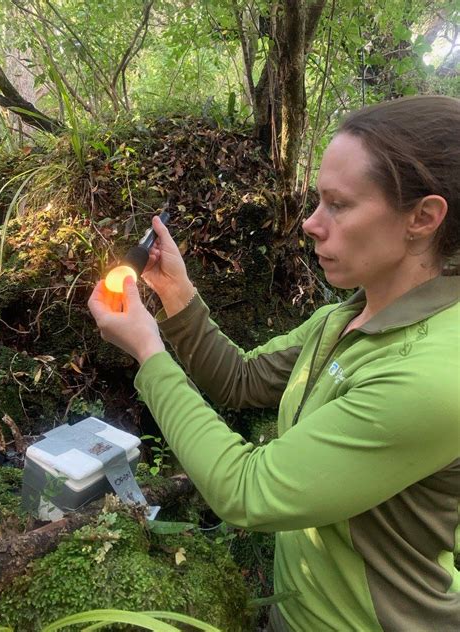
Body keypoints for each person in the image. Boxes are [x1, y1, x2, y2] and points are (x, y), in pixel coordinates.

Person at [88, 95, 459, 632]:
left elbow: (248, 491)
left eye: (339, 204)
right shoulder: (348, 316)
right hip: (297, 610)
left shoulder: (431, 374)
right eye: (317, 201)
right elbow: (243, 380)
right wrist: (175, 293)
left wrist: (149, 351)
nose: (311, 223)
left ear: (422, 217)